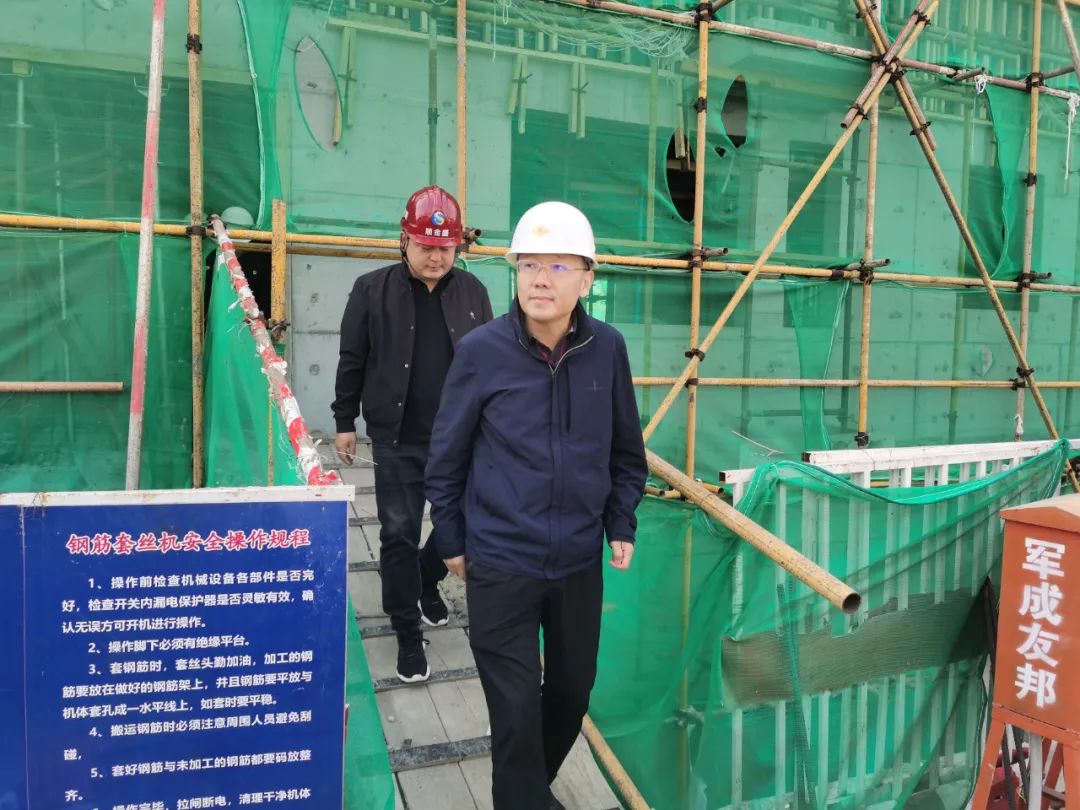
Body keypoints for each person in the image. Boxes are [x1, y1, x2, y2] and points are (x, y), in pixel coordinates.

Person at [425, 201, 647, 809]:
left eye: (557, 265)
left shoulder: (607, 348)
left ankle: (525, 792)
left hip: (577, 562)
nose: (540, 279)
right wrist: (450, 538)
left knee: (571, 696)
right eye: (528, 265)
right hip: (500, 561)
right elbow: (446, 455)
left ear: (587, 278)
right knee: (516, 711)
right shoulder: (482, 351)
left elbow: (627, 450)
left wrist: (620, 519)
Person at [332, 185, 493, 684]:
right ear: (404, 240)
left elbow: (491, 368)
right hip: (397, 437)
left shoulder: (473, 292)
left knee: (464, 523)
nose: (436, 257)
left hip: (460, 439)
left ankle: (427, 576)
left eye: (446, 248)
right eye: (426, 246)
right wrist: (344, 421)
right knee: (398, 533)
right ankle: (406, 631)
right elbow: (352, 357)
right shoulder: (370, 289)